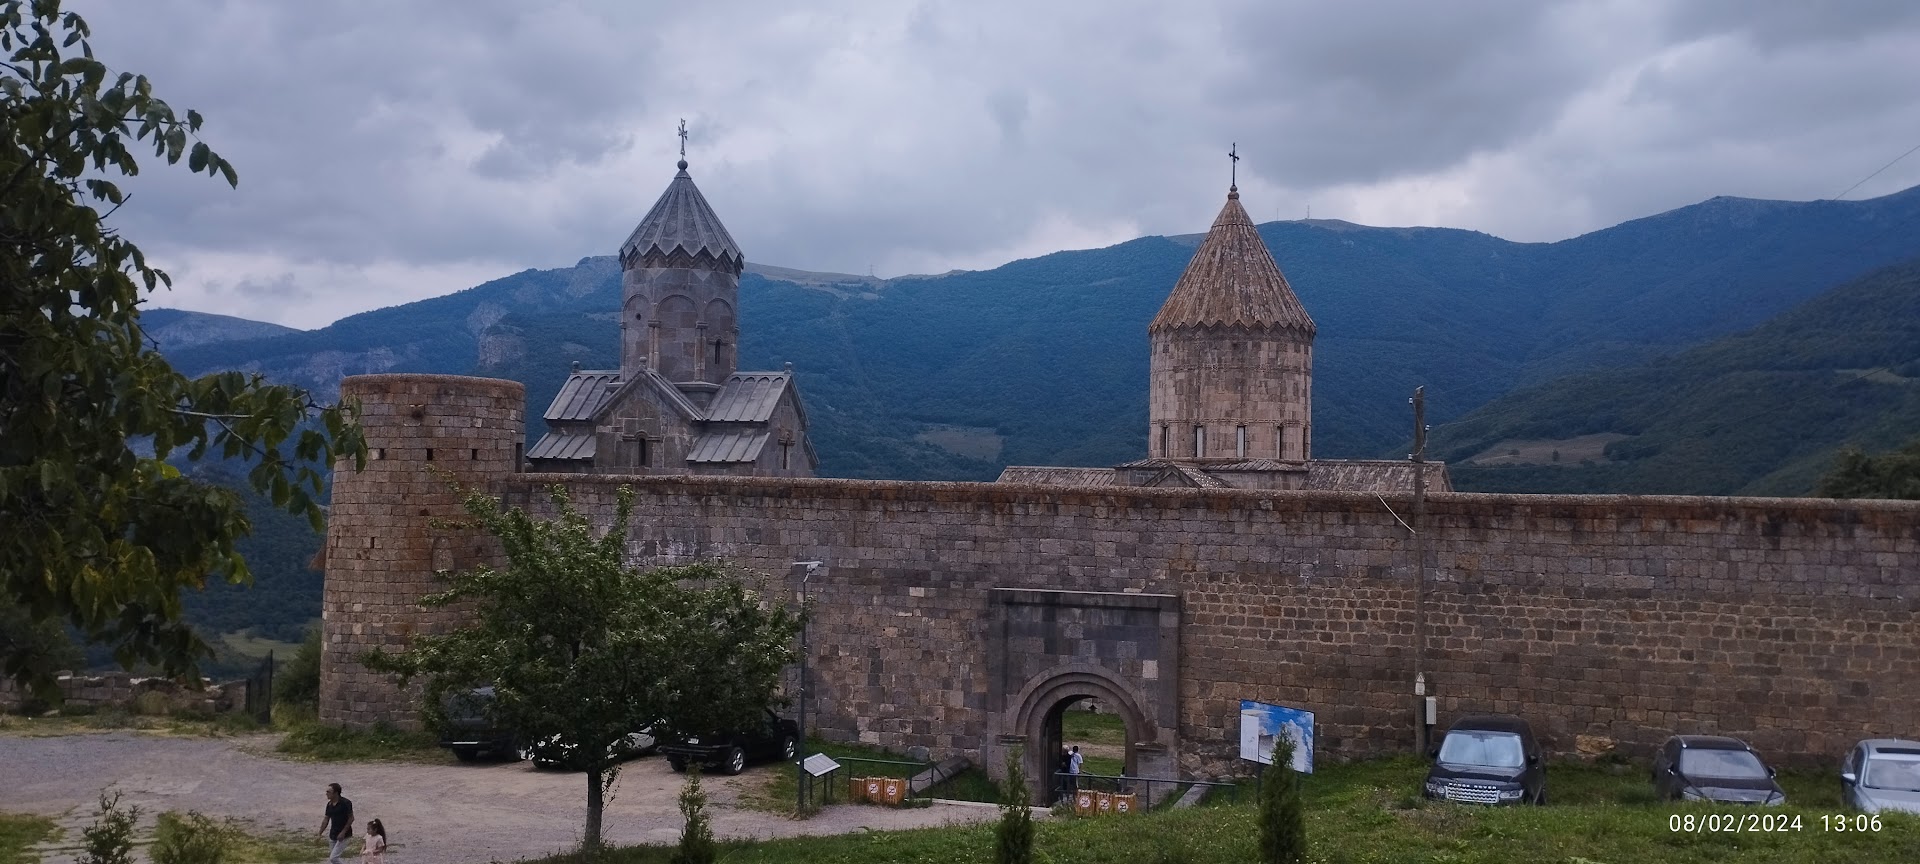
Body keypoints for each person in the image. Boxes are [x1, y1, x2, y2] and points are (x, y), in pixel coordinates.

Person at [319, 783, 354, 864]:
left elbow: (351, 818)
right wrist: (320, 832)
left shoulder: (345, 803)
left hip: (344, 835)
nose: (326, 793)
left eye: (329, 792)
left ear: (336, 793)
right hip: (333, 834)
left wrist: (343, 832)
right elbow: (326, 819)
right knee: (333, 859)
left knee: (333, 858)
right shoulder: (329, 805)